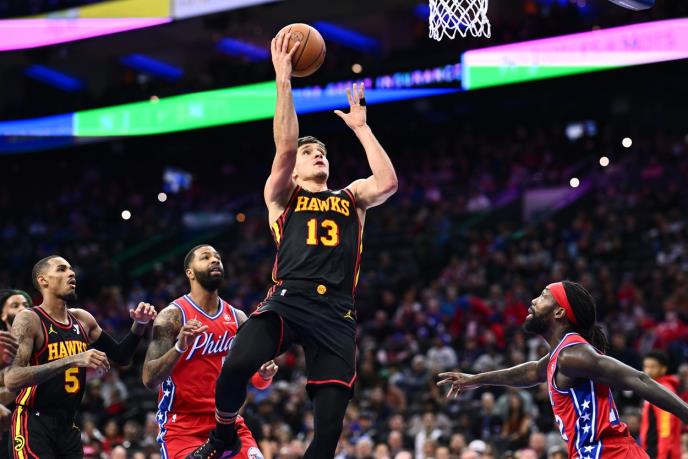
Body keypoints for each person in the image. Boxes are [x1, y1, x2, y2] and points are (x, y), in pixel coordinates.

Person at [189, 30, 398, 459]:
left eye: (322, 151)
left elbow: (388, 182)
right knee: (235, 366)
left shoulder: (352, 197)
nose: (318, 154)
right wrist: (283, 79)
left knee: (328, 432)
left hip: (337, 313)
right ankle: (222, 435)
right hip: (290, 299)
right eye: (310, 153)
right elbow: (285, 147)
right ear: (296, 169)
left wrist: (362, 129)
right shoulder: (284, 196)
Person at [437, 281, 688, 459]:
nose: (534, 300)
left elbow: (639, 379)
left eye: (544, 296)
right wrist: (477, 379)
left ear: (559, 311)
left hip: (610, 453)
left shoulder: (573, 355)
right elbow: (531, 372)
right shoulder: (560, 356)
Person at [5, 255, 157, 459]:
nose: (71, 273)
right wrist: (73, 359)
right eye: (61, 269)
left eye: (71, 268)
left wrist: (139, 325)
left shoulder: (83, 319)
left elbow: (121, 357)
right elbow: (12, 378)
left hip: (68, 424)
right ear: (43, 280)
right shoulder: (29, 319)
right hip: (33, 421)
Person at [143, 244, 278, 459]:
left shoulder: (238, 318)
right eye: (205, 257)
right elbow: (150, 378)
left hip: (227, 421)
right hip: (182, 427)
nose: (215, 260)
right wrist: (180, 347)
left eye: (217, 257)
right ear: (190, 273)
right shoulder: (172, 316)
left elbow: (256, 382)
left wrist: (263, 375)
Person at [0, 289, 29, 459]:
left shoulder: (45, 345)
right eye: (15, 305)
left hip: (36, 429)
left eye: (26, 305)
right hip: (6, 431)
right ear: (3, 315)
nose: (23, 308)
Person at [640, 350, 683, 459]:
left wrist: (662, 455)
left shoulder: (663, 391)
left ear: (663, 369)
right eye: (646, 366)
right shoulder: (652, 389)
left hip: (660, 453)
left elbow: (666, 429)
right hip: (652, 450)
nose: (648, 371)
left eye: (653, 367)